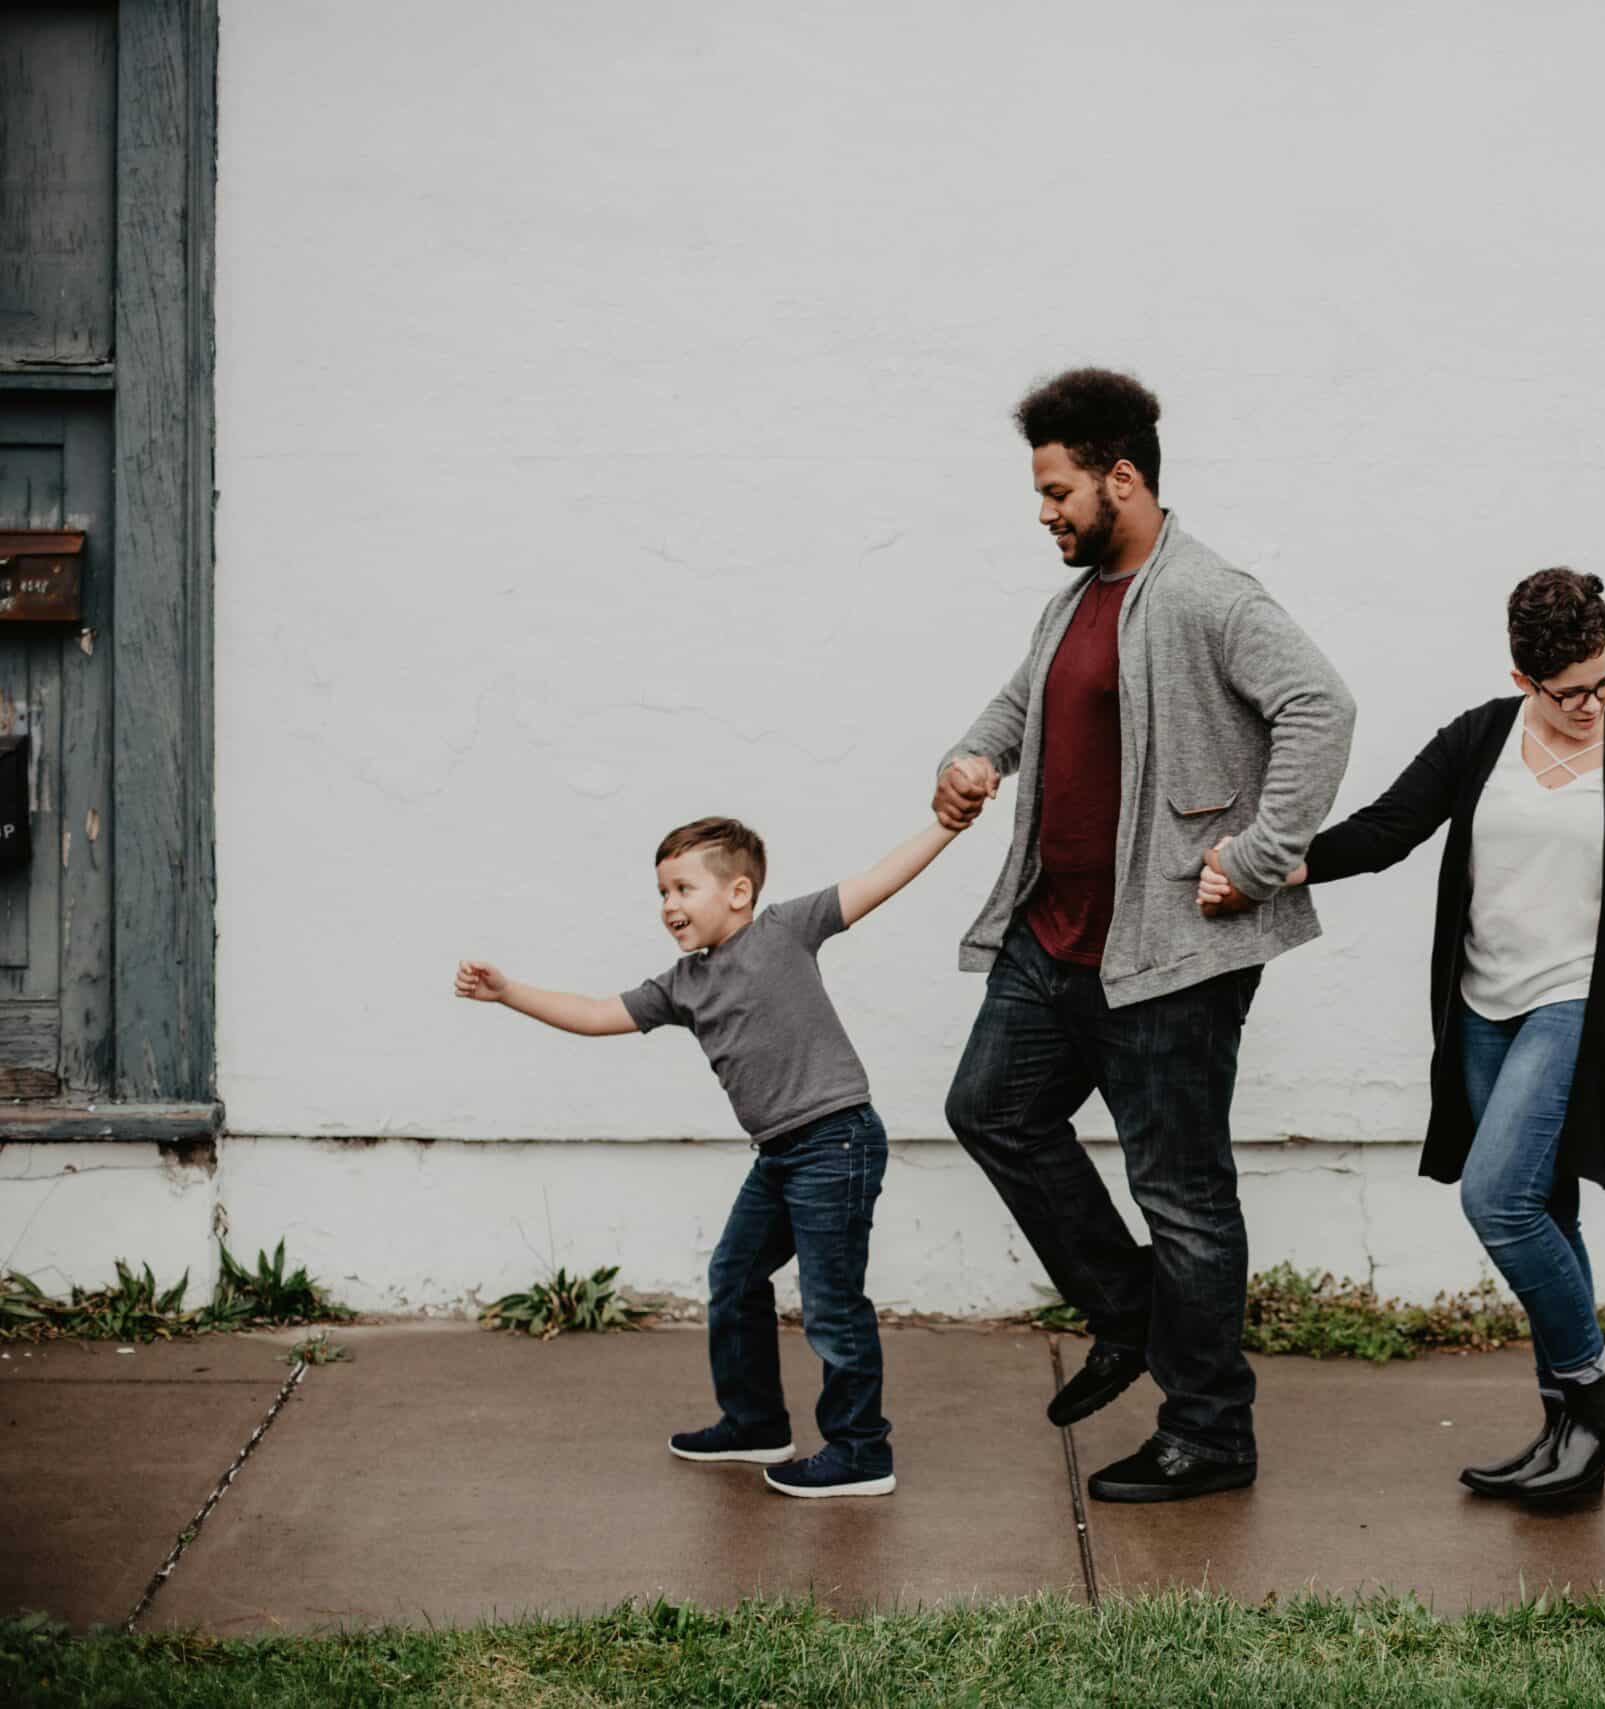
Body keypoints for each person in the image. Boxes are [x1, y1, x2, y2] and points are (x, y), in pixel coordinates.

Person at [1198, 568, 1605, 1500]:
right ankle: (1569, 1438)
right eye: (1570, 692)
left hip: (1581, 1006)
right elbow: (1388, 830)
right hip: (1482, 1008)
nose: (1593, 704)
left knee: (1498, 1201)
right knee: (1547, 1211)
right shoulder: (1483, 737)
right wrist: (1267, 869)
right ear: (1524, 679)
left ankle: (1596, 1400)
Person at [936, 368, 1354, 1504]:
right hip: (1053, 936)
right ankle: (1128, 1314)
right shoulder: (1073, 601)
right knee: (990, 1109)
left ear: (1122, 477)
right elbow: (1023, 702)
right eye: (1040, 490)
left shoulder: (1208, 595)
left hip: (1165, 953)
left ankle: (1210, 1428)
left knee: (1182, 1191)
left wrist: (1259, 855)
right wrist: (973, 757)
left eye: (1058, 488)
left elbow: (1322, 706)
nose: (1045, 511)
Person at [454, 813, 960, 1498]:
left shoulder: (786, 929)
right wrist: (508, 992)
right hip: (779, 1155)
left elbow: (877, 880)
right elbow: (600, 1012)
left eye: (683, 888)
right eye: (661, 892)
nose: (668, 906)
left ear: (739, 892)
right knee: (735, 1273)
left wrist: (946, 825)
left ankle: (862, 1449)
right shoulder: (683, 984)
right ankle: (755, 1422)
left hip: (836, 1142)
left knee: (832, 1303)